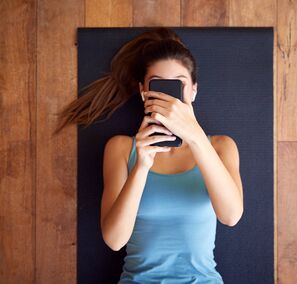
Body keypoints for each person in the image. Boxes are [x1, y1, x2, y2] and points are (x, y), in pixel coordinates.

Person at [54, 27, 243, 283]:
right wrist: (142, 164)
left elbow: (231, 216)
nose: (169, 98)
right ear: (144, 92)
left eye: (178, 85)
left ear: (194, 91)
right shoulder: (121, 148)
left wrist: (196, 137)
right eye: (158, 86)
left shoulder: (221, 146)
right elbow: (114, 240)